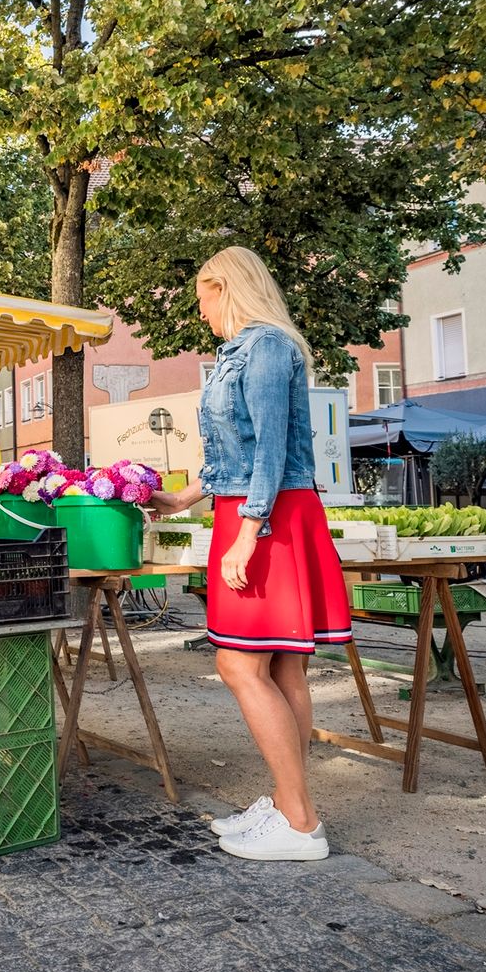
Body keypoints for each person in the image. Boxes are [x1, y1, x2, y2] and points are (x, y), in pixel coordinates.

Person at [151, 247, 347, 862]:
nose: (200, 311)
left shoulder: (264, 347)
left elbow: (269, 449)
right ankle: (290, 804)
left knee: (240, 667)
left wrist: (247, 530)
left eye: (202, 298)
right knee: (283, 667)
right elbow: (232, 457)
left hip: (267, 515)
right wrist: (182, 497)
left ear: (225, 289)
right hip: (264, 511)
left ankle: (299, 821)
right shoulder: (244, 352)